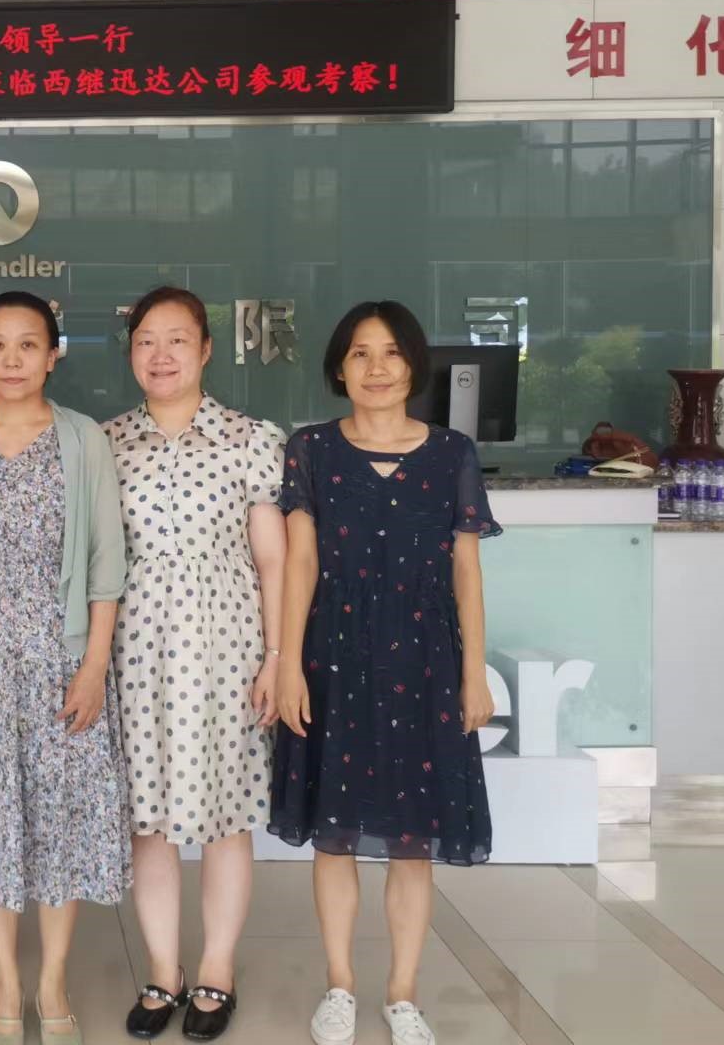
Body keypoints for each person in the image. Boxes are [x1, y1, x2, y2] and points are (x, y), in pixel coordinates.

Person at [271, 300, 498, 1045]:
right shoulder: (311, 449)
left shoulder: (452, 453)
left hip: (425, 656)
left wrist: (473, 672)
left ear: (414, 366)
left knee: (414, 836)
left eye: (392, 353)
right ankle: (339, 985)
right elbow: (300, 563)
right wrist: (288, 663)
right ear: (339, 368)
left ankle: (402, 993)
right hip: (332, 655)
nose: (377, 368)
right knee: (333, 833)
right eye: (360, 354)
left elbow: (466, 571)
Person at [0, 291, 131, 1045]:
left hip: (59, 656)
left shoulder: (83, 439)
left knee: (60, 824)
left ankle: (52, 981)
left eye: (28, 344)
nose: (12, 359)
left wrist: (94, 665)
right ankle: (7, 980)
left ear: (53, 354)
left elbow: (106, 561)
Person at [103, 287, 287, 1043]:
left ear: (207, 350)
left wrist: (276, 658)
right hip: (136, 651)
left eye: (177, 339)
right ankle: (162, 970)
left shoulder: (250, 438)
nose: (161, 354)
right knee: (146, 821)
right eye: (146, 340)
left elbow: (273, 561)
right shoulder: (106, 443)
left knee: (225, 818)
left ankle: (217, 968)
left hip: (227, 653)